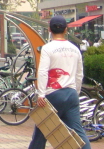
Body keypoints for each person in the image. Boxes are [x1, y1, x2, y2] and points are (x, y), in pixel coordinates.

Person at [28, 15, 91, 149]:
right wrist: (76, 92)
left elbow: (43, 71)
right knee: (78, 132)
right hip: (71, 94)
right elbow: (79, 74)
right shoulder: (75, 49)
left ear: (49, 29)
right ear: (66, 29)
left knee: (41, 132)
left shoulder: (47, 48)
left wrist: (41, 94)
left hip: (53, 95)